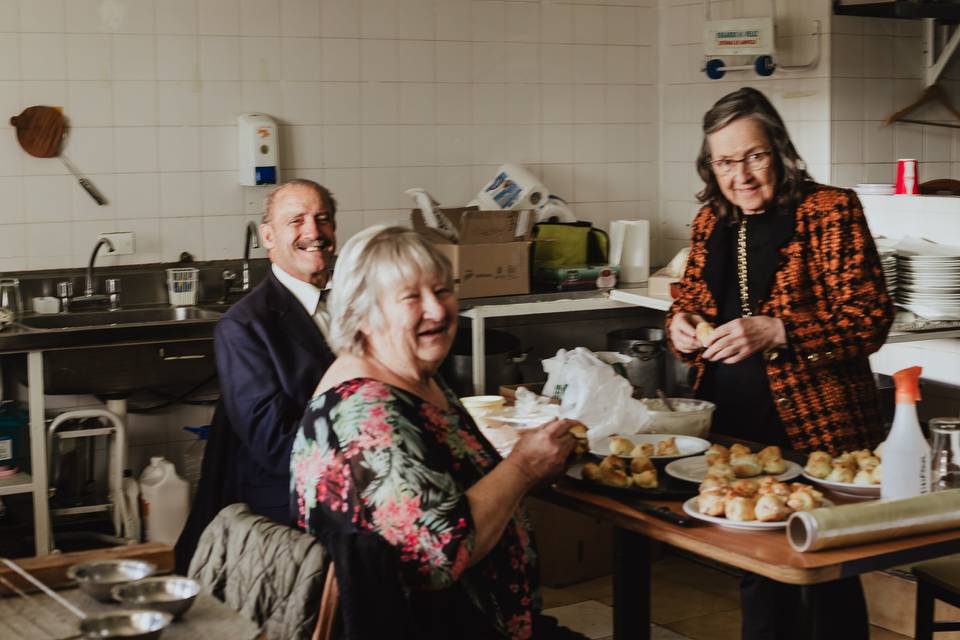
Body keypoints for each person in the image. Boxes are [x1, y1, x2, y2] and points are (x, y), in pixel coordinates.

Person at [666, 87, 894, 640]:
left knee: (826, 569)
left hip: (817, 427)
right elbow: (691, 299)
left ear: (780, 151)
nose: (739, 174)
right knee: (758, 568)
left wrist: (781, 330)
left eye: (754, 156)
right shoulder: (709, 222)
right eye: (724, 161)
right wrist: (679, 326)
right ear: (709, 165)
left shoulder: (829, 210)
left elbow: (869, 318)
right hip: (735, 423)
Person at [290, 226, 588, 640]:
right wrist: (523, 468)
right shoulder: (367, 412)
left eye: (443, 290)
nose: (437, 309)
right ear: (363, 314)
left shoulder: (413, 376)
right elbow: (437, 557)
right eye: (412, 297)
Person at [175, 179, 338, 573]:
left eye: (322, 219)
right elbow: (274, 444)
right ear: (268, 236)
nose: (313, 232)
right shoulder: (245, 325)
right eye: (296, 221)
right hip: (289, 504)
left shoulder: (352, 302)